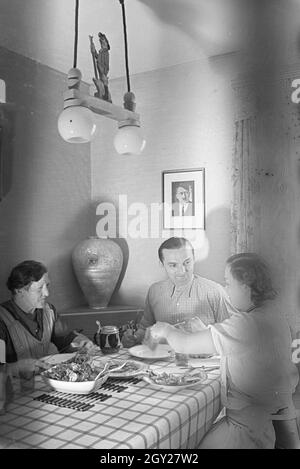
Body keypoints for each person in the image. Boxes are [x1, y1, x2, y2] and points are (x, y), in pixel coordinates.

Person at [149, 253, 300, 449]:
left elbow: (183, 345)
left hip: (247, 428)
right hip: (269, 419)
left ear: (245, 287)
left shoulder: (247, 323)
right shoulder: (273, 314)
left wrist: (165, 329)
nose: (226, 290)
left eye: (228, 283)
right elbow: (245, 350)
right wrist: (206, 332)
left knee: (184, 444)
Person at [0, 260, 94, 413]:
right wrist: (16, 367)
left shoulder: (49, 311)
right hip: (13, 402)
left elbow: (65, 338)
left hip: (45, 394)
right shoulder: (1, 321)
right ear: (19, 290)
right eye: (39, 288)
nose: (47, 293)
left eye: (47, 286)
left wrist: (80, 341)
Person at [122, 237, 236, 348]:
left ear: (194, 258)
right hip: (159, 363)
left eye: (187, 262)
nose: (182, 271)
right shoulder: (154, 291)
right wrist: (134, 338)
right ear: (162, 264)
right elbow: (145, 328)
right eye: (173, 265)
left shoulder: (215, 292)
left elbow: (236, 336)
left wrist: (206, 334)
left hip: (202, 364)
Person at [89, 32, 112, 102]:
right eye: (101, 42)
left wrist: (103, 73)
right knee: (100, 85)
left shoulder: (106, 53)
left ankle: (105, 96)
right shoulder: (101, 52)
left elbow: (106, 65)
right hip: (101, 70)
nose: (101, 43)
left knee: (103, 84)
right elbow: (96, 56)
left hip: (103, 71)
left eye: (103, 41)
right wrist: (91, 43)